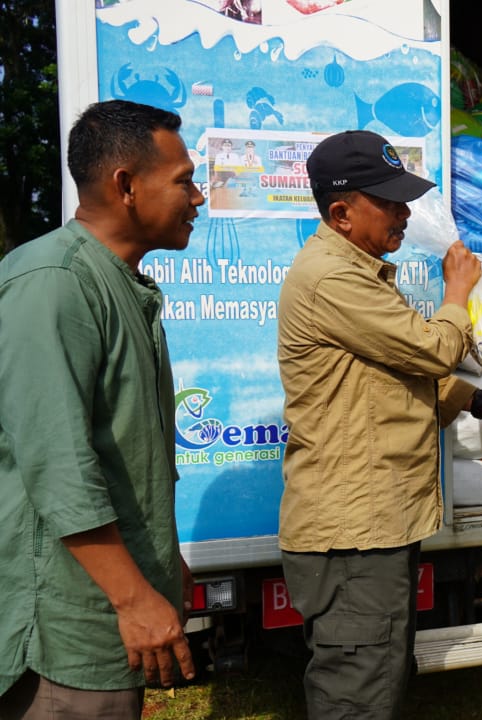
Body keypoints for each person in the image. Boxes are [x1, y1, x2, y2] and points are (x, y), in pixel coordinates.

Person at [277, 129, 482, 720]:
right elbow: (432, 351)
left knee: (381, 672)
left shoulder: (360, 270)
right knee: (358, 690)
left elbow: (397, 371)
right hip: (353, 530)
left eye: (404, 199)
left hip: (375, 521)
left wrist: (480, 402)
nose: (404, 213)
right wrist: (459, 292)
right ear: (341, 212)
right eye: (389, 202)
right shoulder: (331, 278)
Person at [0, 99, 203, 718]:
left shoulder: (117, 281)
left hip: (110, 608)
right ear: (126, 186)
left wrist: (164, 563)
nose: (198, 197)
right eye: (184, 180)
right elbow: (59, 466)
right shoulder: (53, 281)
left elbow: (125, 454)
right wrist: (132, 598)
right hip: (69, 628)